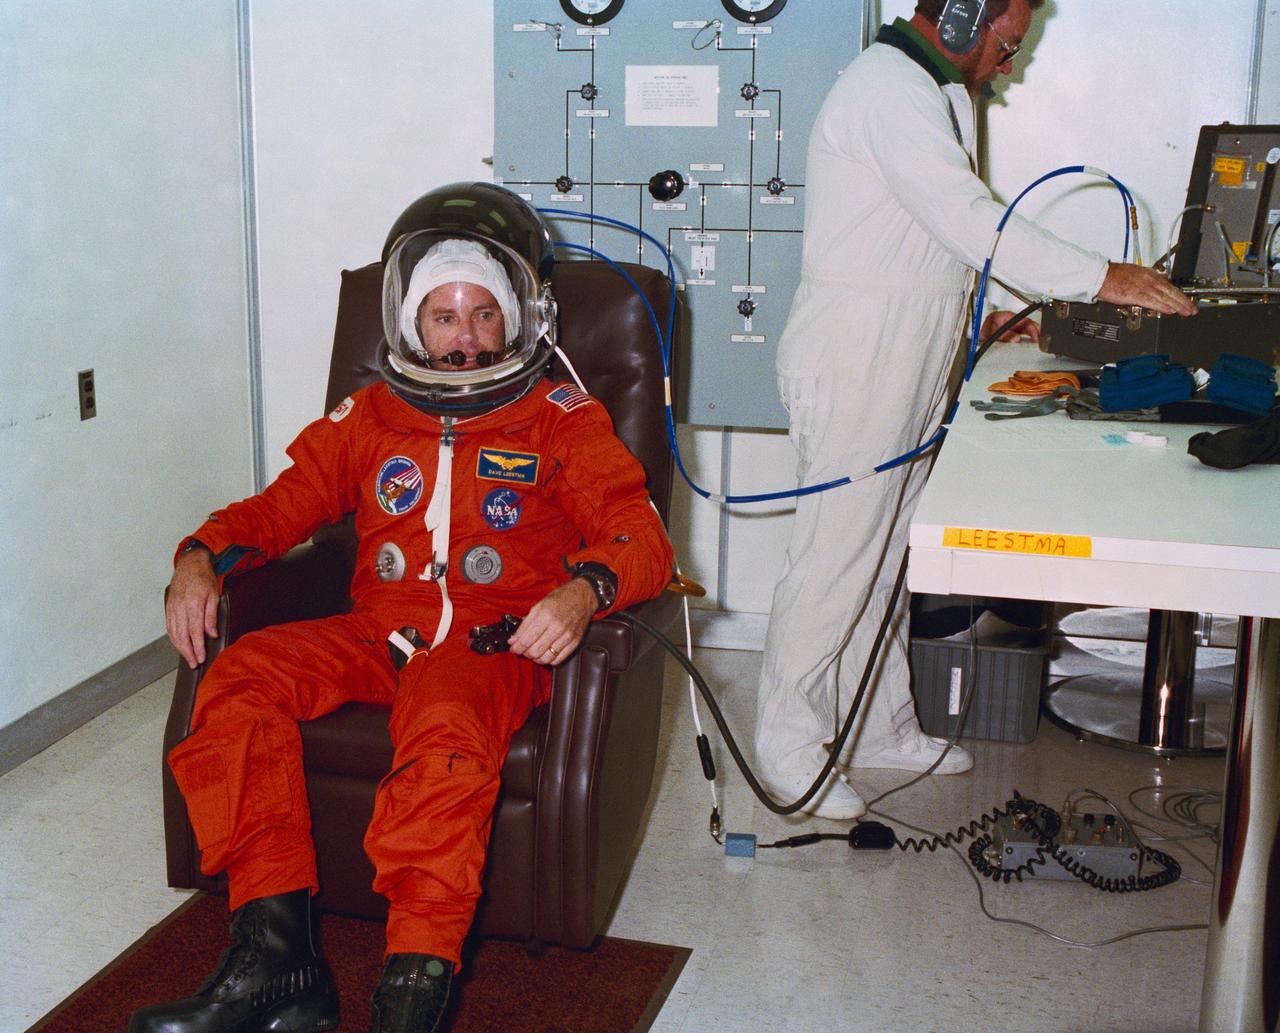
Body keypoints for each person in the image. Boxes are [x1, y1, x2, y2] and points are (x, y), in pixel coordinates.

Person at [129, 183, 674, 1033]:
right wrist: (199, 554)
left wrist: (582, 589)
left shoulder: (561, 418)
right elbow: (281, 507)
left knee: (445, 727)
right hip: (377, 631)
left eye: (484, 315)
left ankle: (411, 998)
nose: (465, 339)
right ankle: (278, 965)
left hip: (491, 646)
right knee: (237, 683)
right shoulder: (371, 417)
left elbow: (642, 535)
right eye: (444, 317)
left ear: (521, 318)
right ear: (411, 324)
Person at [754, 0, 1197, 820]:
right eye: (1007, 39)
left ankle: (879, 723)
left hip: (911, 351)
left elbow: (941, 236)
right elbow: (970, 218)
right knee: (835, 559)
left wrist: (992, 310)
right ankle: (787, 745)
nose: (1011, 59)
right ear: (959, 17)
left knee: (886, 557)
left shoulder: (941, 94)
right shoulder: (887, 88)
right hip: (856, 356)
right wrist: (1105, 276)